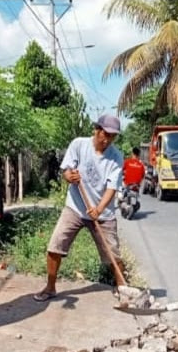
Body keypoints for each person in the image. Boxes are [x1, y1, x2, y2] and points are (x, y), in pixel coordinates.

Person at [33, 114, 125, 302]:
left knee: (113, 255)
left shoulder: (116, 157)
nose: (107, 139)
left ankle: (123, 289)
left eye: (112, 136)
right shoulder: (79, 145)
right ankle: (50, 287)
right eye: (105, 134)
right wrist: (69, 176)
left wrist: (98, 209)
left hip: (103, 213)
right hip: (75, 207)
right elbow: (66, 169)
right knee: (55, 246)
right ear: (97, 130)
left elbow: (112, 188)